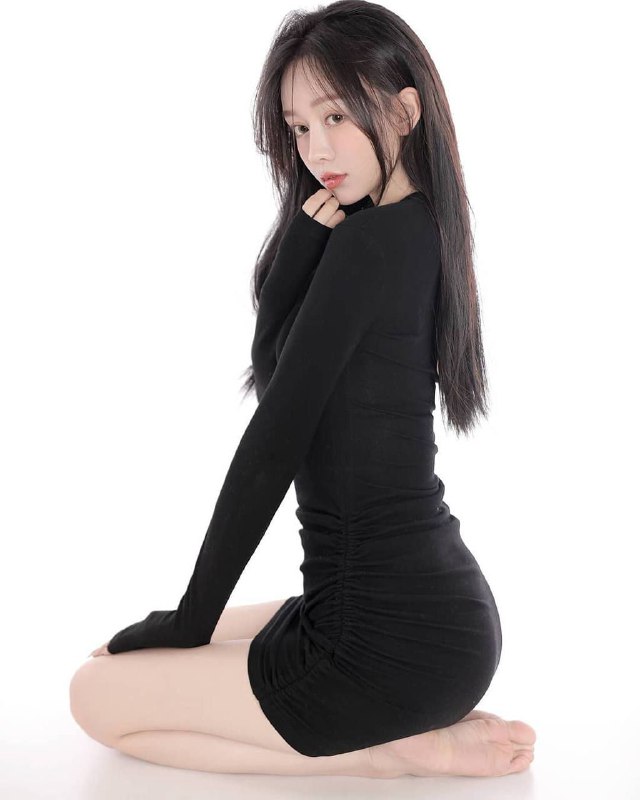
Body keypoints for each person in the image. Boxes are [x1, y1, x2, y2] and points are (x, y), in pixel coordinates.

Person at [69, 0, 536, 778]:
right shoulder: (415, 229)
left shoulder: (370, 246)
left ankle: (394, 754)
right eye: (297, 127)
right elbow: (278, 374)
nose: (316, 149)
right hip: (437, 621)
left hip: (384, 643)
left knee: (93, 694)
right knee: (122, 657)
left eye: (335, 117)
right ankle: (392, 728)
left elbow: (272, 445)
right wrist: (300, 250)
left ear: (404, 110)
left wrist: (191, 620)